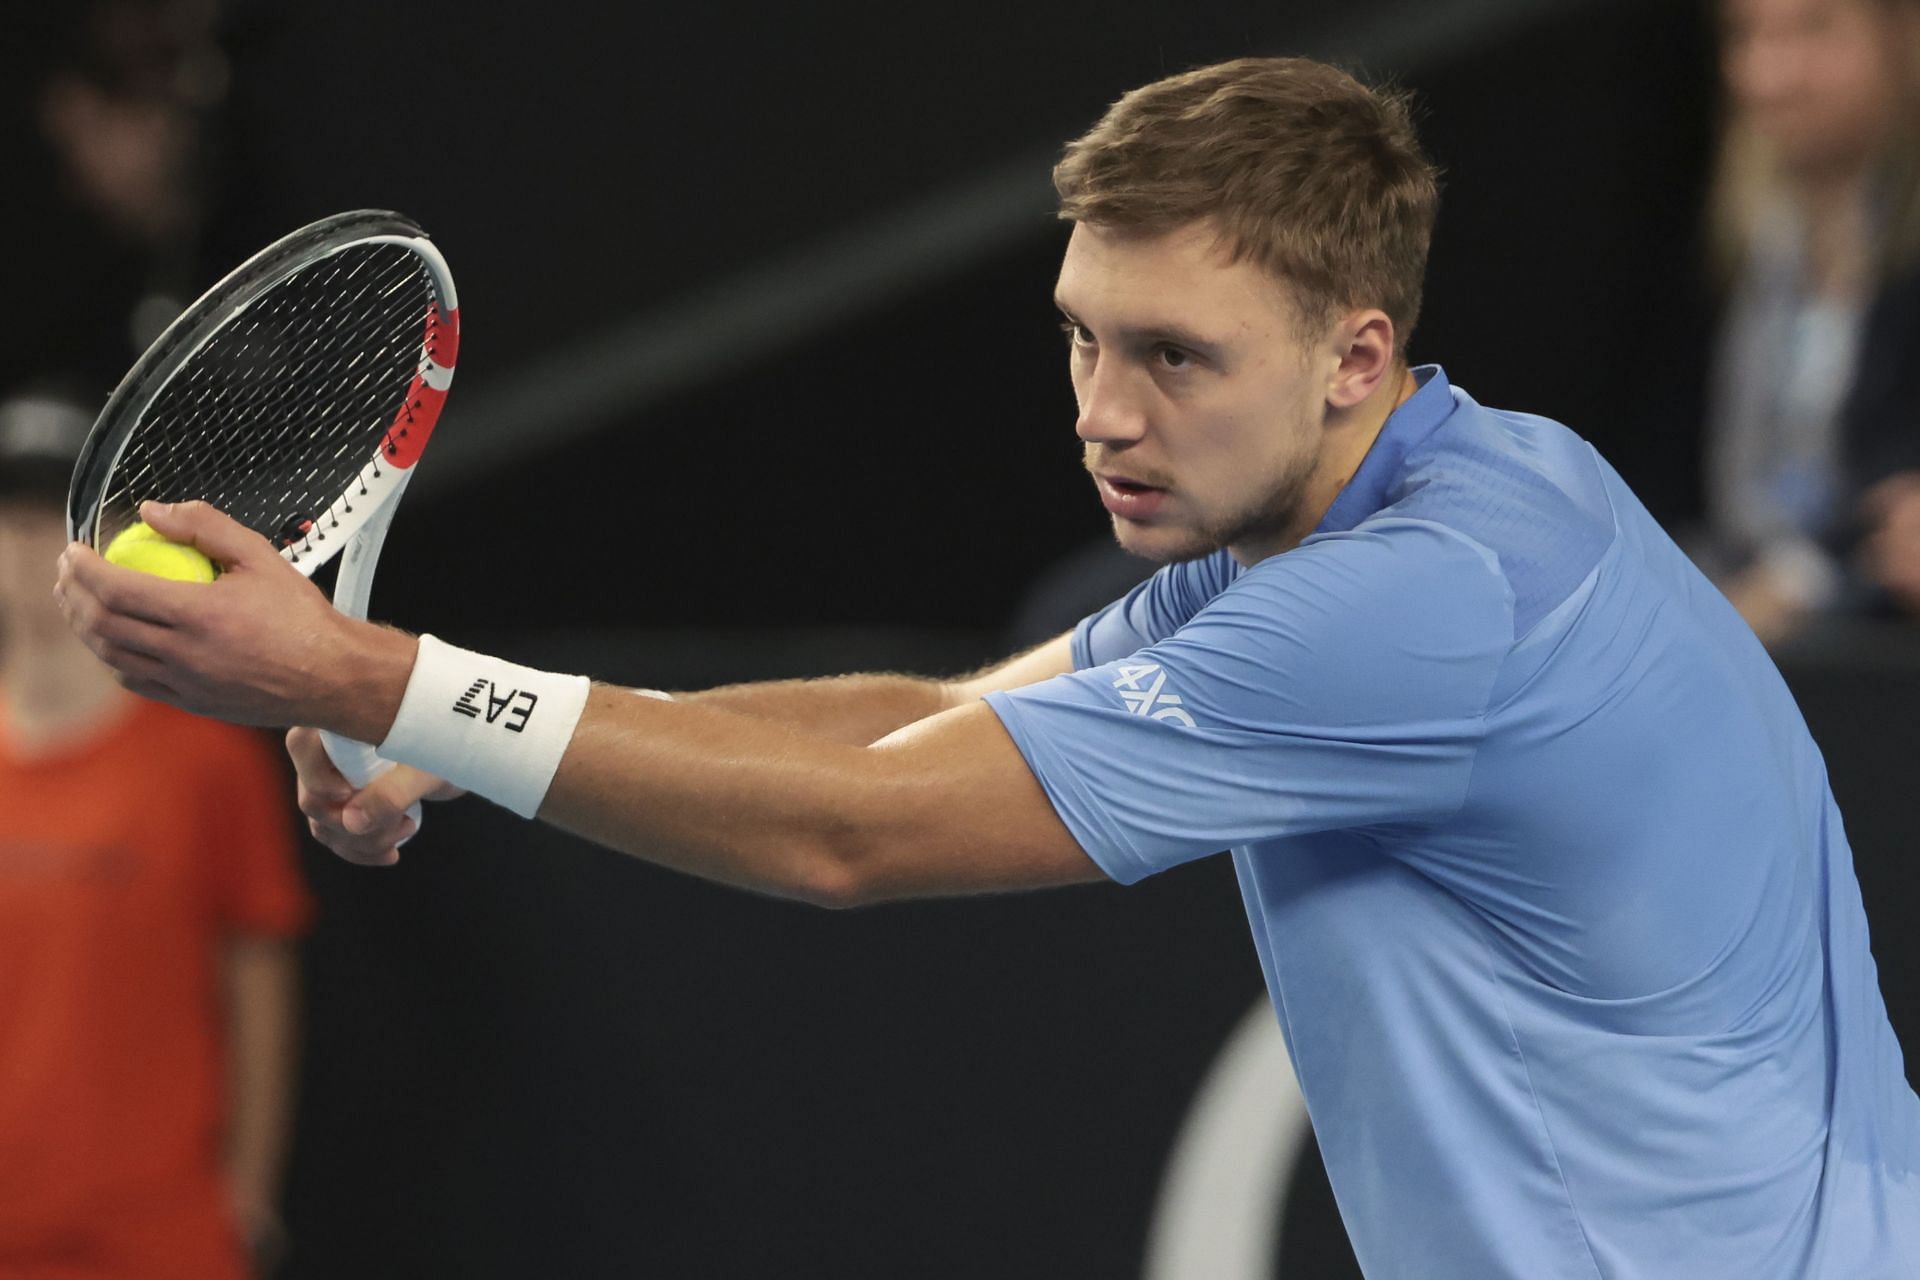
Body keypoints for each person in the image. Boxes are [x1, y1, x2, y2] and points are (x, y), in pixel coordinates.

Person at [55, 56, 1920, 1277]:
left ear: (1356, 353)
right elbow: (935, 723)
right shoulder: (1432, 489)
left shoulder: (1417, 608)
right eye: (1082, 339)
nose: (1105, 416)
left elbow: (855, 835)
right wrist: (454, 729)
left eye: (1173, 357)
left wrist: (365, 676)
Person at [0, 389, 310, 1279]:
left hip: (158, 1242)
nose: (32, 543)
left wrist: (248, 1192)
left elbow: (259, 981)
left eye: (56, 514)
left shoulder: (205, 764)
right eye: (11, 514)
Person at [1701, 0, 1920, 641]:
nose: (1767, 76)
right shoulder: (1741, 241)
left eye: (1814, 28)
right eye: (1746, 35)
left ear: (1900, 34)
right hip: (1735, 598)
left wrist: (1799, 581)